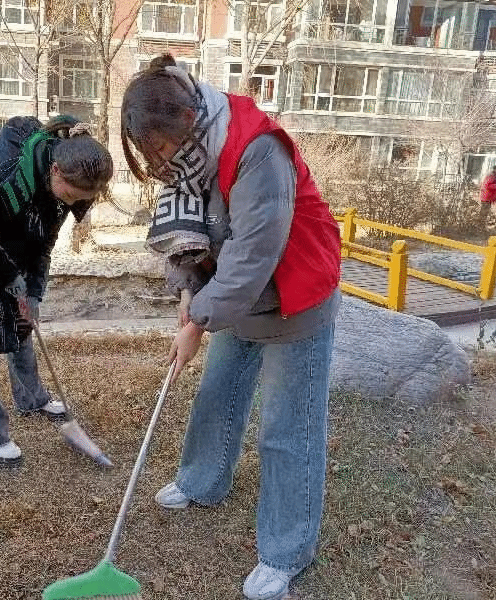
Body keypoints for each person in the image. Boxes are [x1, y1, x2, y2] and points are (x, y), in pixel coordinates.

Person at [120, 55, 341, 600]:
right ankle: (202, 482)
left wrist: (198, 320)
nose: (159, 162)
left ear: (185, 118)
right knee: (217, 395)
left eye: (161, 147)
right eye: (150, 152)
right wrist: (188, 291)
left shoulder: (256, 148)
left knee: (287, 430)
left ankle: (285, 551)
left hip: (294, 296)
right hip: (237, 299)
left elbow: (252, 256)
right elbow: (189, 237)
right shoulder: (190, 160)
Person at [0, 116, 113, 468]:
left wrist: (32, 290)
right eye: (71, 196)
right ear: (56, 171)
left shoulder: (64, 185)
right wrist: (8, 275)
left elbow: (43, 241)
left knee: (22, 320)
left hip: (12, 247)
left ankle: (31, 398)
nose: (73, 203)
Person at [480, 163, 496, 228]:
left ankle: (482, 224)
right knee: (484, 212)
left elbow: (493, 182)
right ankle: (480, 225)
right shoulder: (491, 176)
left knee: (486, 211)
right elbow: (488, 186)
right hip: (486, 197)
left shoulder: (495, 176)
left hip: (489, 197)